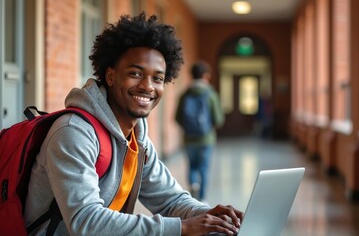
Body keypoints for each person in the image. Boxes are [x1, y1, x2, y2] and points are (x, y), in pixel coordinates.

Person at [24, 12, 243, 235]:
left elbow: (170, 200)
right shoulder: (73, 132)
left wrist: (210, 216)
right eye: (136, 73)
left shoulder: (137, 140)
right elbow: (86, 223)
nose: (148, 86)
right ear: (110, 76)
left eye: (158, 78)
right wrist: (183, 227)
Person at [175, 61, 225, 202]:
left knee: (192, 166)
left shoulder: (185, 95)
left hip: (189, 138)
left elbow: (177, 117)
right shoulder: (210, 94)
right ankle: (202, 199)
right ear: (206, 76)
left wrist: (188, 127)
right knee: (203, 168)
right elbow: (218, 119)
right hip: (206, 139)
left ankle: (193, 185)